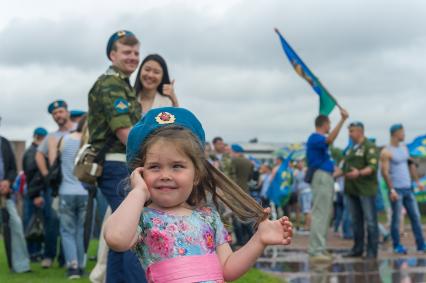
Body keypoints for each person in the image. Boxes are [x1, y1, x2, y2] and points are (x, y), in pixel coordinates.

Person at [104, 107, 293, 282]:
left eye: (177, 166)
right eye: (154, 167)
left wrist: (259, 240)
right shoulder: (143, 219)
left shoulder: (209, 218)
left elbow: (227, 269)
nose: (165, 175)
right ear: (141, 172)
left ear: (196, 174)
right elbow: (116, 238)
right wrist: (138, 191)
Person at [87, 30, 146, 283]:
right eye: (126, 52)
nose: (133, 57)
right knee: (133, 229)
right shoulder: (111, 83)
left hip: (117, 163)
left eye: (136, 52)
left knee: (121, 231)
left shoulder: (121, 82)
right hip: (116, 163)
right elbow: (125, 132)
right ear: (112, 55)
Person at [34, 100, 75, 268]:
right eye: (55, 113)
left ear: (67, 112)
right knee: (52, 221)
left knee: (72, 224)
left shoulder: (78, 132)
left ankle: (67, 258)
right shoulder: (51, 137)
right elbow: (38, 155)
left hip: (77, 184)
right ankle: (49, 256)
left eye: (60, 111)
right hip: (57, 186)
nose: (58, 115)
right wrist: (46, 174)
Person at [306, 108, 348, 263]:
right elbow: (330, 139)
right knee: (320, 214)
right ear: (324, 124)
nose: (330, 126)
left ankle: (320, 247)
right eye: (329, 123)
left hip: (326, 177)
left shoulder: (319, 141)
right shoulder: (315, 137)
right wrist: (342, 120)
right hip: (321, 177)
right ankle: (315, 250)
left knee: (326, 214)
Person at [380, 124, 426, 254]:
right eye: (402, 132)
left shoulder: (404, 148)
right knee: (397, 219)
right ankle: (397, 245)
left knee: (415, 216)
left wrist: (417, 181)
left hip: (408, 188)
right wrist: (392, 190)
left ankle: (421, 244)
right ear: (395, 134)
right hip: (397, 189)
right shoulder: (386, 151)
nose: (404, 135)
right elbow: (384, 172)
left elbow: (410, 164)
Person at [53, 116, 89, 279]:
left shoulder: (64, 139)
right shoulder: (89, 143)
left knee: (67, 231)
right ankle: (81, 266)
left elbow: (55, 162)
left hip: (66, 190)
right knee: (80, 231)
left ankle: (72, 267)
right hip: (84, 192)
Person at [341, 122, 379, 259]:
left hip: (366, 190)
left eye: (351, 131)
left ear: (360, 132)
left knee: (370, 221)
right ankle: (357, 249)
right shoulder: (352, 148)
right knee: (356, 221)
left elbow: (372, 166)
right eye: (349, 131)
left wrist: (359, 173)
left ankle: (372, 251)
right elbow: (344, 166)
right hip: (352, 190)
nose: (349, 134)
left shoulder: (369, 147)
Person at [0, 133, 31, 273]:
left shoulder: (4, 142)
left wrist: (7, 181)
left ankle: (21, 266)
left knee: (16, 226)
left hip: (4, 194)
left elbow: (12, 168)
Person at [22, 127, 48, 261]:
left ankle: (35, 252)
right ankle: (33, 253)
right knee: (33, 223)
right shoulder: (34, 153)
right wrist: (36, 194)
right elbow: (33, 175)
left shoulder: (29, 152)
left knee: (35, 223)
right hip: (34, 192)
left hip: (32, 191)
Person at [230, 144, 254, 246]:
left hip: (235, 192)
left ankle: (240, 240)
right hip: (246, 192)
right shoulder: (249, 162)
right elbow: (249, 178)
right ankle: (251, 237)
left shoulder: (232, 162)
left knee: (236, 218)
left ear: (235, 151)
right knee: (245, 216)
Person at [293, 159, 312, 232]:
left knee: (307, 209)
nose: (299, 164)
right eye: (298, 163)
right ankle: (304, 225)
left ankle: (308, 226)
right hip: (300, 193)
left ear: (303, 163)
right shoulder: (296, 172)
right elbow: (295, 184)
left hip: (307, 191)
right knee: (301, 209)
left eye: (300, 162)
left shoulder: (306, 170)